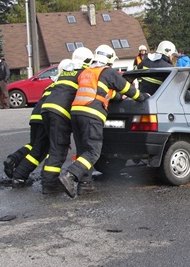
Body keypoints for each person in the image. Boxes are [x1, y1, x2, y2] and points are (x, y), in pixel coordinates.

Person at [59, 45, 149, 198]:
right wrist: (143, 97)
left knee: (84, 151)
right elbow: (128, 89)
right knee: (94, 151)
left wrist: (118, 97)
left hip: (76, 113)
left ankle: (85, 184)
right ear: (108, 60)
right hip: (91, 114)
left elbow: (108, 94)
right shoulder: (108, 72)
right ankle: (70, 175)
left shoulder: (87, 72)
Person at [2, 60, 68, 187]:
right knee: (40, 150)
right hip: (46, 118)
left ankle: (13, 159)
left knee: (33, 145)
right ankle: (20, 176)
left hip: (37, 115)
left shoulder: (54, 83)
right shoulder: (67, 83)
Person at [40, 47, 94, 194]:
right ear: (88, 60)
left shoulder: (67, 70)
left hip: (47, 109)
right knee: (59, 149)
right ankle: (49, 185)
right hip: (60, 111)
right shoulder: (84, 73)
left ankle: (47, 180)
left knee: (54, 147)